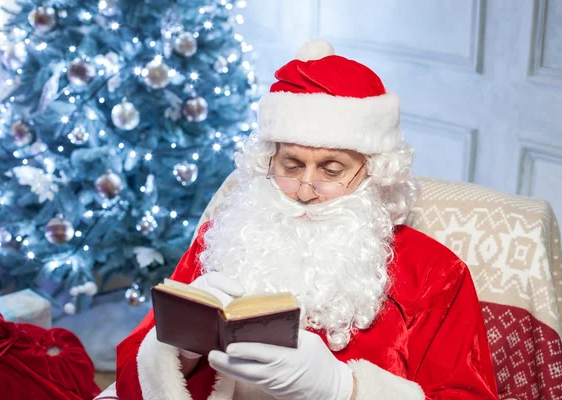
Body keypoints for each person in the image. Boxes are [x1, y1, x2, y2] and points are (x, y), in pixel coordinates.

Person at [115, 40, 499, 400]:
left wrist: (342, 389)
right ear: (268, 160)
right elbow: (130, 377)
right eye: (291, 165)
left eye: (331, 170)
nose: (303, 190)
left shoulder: (436, 274)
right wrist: (178, 354)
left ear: (375, 172)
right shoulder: (223, 239)